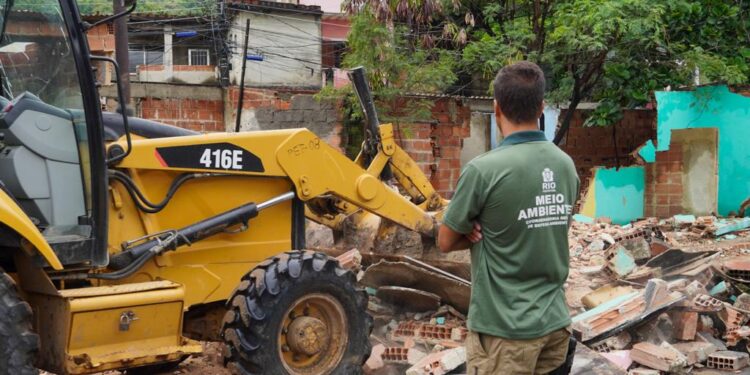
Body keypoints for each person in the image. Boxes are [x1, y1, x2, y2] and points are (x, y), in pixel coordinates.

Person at [438, 61, 579, 375]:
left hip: (505, 333)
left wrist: (472, 232)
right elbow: (551, 231)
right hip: (555, 325)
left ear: (496, 108)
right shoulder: (565, 166)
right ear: (541, 107)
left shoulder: (483, 170)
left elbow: (445, 241)